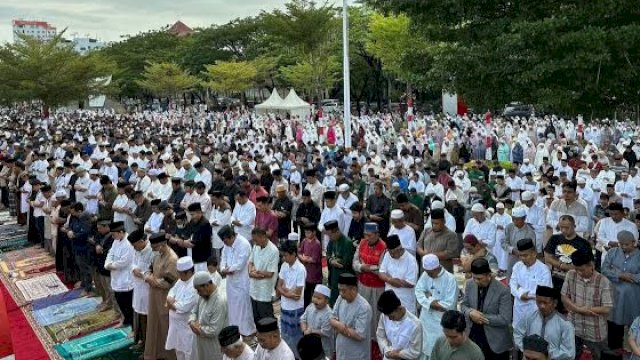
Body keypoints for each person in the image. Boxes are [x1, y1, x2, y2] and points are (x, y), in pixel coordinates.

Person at [561, 249, 613, 360]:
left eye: (582, 270)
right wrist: (578, 309)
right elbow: (564, 296)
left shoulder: (603, 281)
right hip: (574, 328)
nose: (579, 273)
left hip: (595, 332)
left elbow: (606, 308)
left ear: (591, 265)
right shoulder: (570, 275)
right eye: (576, 269)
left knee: (597, 357)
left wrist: (587, 309)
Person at [461, 257, 513, 359]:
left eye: (479, 278)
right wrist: (470, 312)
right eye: (474, 277)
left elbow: (505, 318)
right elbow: (463, 305)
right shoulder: (470, 284)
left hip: (495, 342)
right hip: (473, 337)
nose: (476, 281)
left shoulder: (503, 290)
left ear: (489, 275)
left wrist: (480, 317)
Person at [601, 230, 640, 351]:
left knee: (632, 322)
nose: (623, 247)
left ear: (634, 242)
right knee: (613, 321)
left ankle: (633, 348)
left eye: (626, 244)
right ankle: (614, 348)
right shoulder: (612, 252)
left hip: (632, 297)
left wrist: (632, 277)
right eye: (621, 244)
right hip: (614, 294)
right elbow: (604, 269)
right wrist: (620, 275)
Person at [513, 285, 576, 360]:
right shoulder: (529, 317)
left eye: (545, 303)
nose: (542, 306)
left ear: (555, 303)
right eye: (539, 302)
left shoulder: (565, 324)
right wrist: (527, 350)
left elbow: (569, 353)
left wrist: (548, 355)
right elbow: (517, 334)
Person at [415, 254, 459, 358]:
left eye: (430, 272)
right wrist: (433, 302)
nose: (428, 274)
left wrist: (428, 299)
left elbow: (449, 305)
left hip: (441, 322)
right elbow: (418, 291)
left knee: (438, 350)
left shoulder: (450, 279)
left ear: (436, 268)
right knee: (424, 347)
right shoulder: (426, 275)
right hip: (426, 319)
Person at [143, 232, 178, 360]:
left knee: (166, 327)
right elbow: (148, 269)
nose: (154, 251)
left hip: (165, 298)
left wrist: (152, 281)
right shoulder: (157, 255)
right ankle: (157, 354)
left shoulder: (172, 259)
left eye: (155, 248)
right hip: (154, 296)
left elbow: (168, 283)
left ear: (162, 245)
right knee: (154, 325)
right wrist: (147, 276)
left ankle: (171, 356)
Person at [218, 225, 256, 340]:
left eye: (226, 241)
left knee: (244, 305)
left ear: (231, 237)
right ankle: (236, 328)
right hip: (231, 281)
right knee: (233, 306)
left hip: (242, 280)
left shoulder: (243, 244)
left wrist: (228, 269)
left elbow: (240, 264)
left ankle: (248, 330)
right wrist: (223, 268)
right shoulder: (226, 245)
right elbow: (223, 258)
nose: (225, 244)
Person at [352, 221, 386, 338]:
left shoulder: (383, 247)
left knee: (376, 313)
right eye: (365, 235)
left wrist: (368, 268)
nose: (367, 238)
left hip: (378, 287)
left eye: (370, 235)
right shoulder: (362, 243)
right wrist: (361, 267)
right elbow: (355, 262)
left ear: (377, 234)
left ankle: (376, 338)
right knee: (363, 311)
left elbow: (382, 269)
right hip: (363, 285)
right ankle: (363, 333)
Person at [510, 238, 553, 327]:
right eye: (520, 255)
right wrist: (520, 294)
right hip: (519, 309)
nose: (522, 258)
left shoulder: (543, 270)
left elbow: (545, 292)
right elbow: (512, 285)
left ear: (534, 254)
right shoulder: (517, 266)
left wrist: (524, 292)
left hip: (535, 309)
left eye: (525, 255)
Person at [330, 273, 372, 360]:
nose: (341, 293)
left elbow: (359, 335)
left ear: (354, 289)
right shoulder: (340, 298)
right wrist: (341, 326)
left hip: (357, 353)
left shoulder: (364, 307)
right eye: (339, 290)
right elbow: (332, 318)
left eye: (344, 291)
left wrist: (340, 327)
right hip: (341, 350)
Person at [189, 271, 229, 360]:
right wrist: (192, 322)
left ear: (207, 285)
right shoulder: (203, 295)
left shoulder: (219, 301)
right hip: (201, 343)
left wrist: (198, 329)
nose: (198, 293)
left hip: (214, 346)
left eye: (199, 290)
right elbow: (193, 311)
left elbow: (214, 330)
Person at [165, 256, 198, 360]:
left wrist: (172, 304)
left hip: (187, 328)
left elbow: (184, 307)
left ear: (188, 272)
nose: (178, 275)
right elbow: (171, 293)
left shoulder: (194, 285)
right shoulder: (180, 281)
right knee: (179, 352)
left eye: (180, 273)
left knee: (189, 354)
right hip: (176, 327)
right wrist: (171, 300)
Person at [277, 241, 307, 357]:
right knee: (285, 335)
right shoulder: (284, 266)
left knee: (296, 338)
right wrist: (287, 292)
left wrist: (283, 291)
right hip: (284, 307)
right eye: (283, 256)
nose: (284, 258)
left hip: (295, 309)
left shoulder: (300, 269)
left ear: (294, 254)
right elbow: (278, 286)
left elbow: (297, 296)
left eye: (286, 255)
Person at [375, 289, 423, 360]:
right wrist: (386, 350)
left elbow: (415, 351)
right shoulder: (384, 316)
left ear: (399, 309)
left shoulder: (415, 325)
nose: (390, 319)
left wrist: (399, 354)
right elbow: (380, 335)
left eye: (392, 316)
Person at [104, 221, 135, 327]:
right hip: (116, 277)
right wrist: (107, 264)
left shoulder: (129, 242)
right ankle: (126, 321)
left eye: (114, 234)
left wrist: (111, 266)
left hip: (126, 278)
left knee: (128, 304)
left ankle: (133, 326)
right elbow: (110, 253)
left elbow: (124, 261)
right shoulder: (116, 241)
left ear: (121, 232)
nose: (112, 237)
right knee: (120, 301)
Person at [378, 234, 418, 314]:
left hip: (405, 300)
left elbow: (411, 283)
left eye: (393, 253)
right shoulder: (388, 255)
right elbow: (381, 273)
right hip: (389, 299)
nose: (391, 255)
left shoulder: (411, 260)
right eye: (390, 253)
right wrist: (390, 280)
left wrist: (393, 280)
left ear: (399, 249)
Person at [129, 228, 152, 352]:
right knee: (139, 316)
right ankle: (142, 342)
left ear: (142, 241)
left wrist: (142, 274)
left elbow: (153, 273)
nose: (134, 248)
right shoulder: (137, 250)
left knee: (147, 319)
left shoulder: (151, 252)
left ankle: (148, 346)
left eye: (134, 245)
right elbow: (131, 263)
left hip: (147, 291)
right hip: (138, 289)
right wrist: (134, 269)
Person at [249, 227, 279, 322]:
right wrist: (250, 272)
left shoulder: (273, 250)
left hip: (265, 290)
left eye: (256, 240)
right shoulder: (256, 246)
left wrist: (256, 273)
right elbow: (250, 262)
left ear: (263, 237)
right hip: (254, 288)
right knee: (256, 318)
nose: (255, 242)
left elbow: (270, 273)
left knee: (267, 320)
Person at [418, 208, 459, 273]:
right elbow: (418, 246)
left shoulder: (451, 235)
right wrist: (424, 254)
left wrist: (430, 255)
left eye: (437, 223)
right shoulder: (426, 231)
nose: (434, 226)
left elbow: (451, 253)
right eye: (432, 223)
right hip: (425, 270)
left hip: (443, 271)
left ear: (444, 221)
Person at [325, 219, 355, 305]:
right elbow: (328, 254)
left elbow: (345, 262)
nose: (329, 237)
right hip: (333, 275)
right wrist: (332, 260)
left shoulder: (347, 242)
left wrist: (335, 260)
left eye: (330, 235)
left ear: (336, 231)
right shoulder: (332, 240)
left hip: (344, 276)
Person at [300, 284, 334, 358]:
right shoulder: (310, 307)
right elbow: (303, 319)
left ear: (326, 301)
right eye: (314, 296)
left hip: (323, 345)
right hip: (310, 342)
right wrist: (304, 330)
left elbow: (326, 332)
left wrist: (311, 331)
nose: (315, 300)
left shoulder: (329, 314)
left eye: (319, 298)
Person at [503, 206, 537, 273]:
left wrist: (521, 253)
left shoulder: (530, 232)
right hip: (511, 257)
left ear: (524, 218)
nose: (515, 222)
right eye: (513, 219)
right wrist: (512, 250)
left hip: (525, 260)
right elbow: (503, 242)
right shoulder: (509, 227)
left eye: (518, 219)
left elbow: (532, 249)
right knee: (511, 276)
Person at [298, 223, 323, 308]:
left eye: (308, 232)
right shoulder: (304, 241)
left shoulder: (317, 244)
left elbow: (315, 259)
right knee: (306, 293)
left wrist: (305, 259)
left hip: (315, 273)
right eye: (305, 232)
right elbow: (300, 253)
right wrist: (303, 258)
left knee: (315, 293)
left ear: (314, 232)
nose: (306, 234)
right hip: (306, 272)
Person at [186, 202, 212, 271]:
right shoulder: (192, 221)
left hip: (203, 256)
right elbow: (190, 233)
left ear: (199, 212)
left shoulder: (205, 223)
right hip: (193, 253)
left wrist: (190, 242)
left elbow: (203, 241)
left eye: (193, 214)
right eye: (191, 215)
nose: (192, 216)